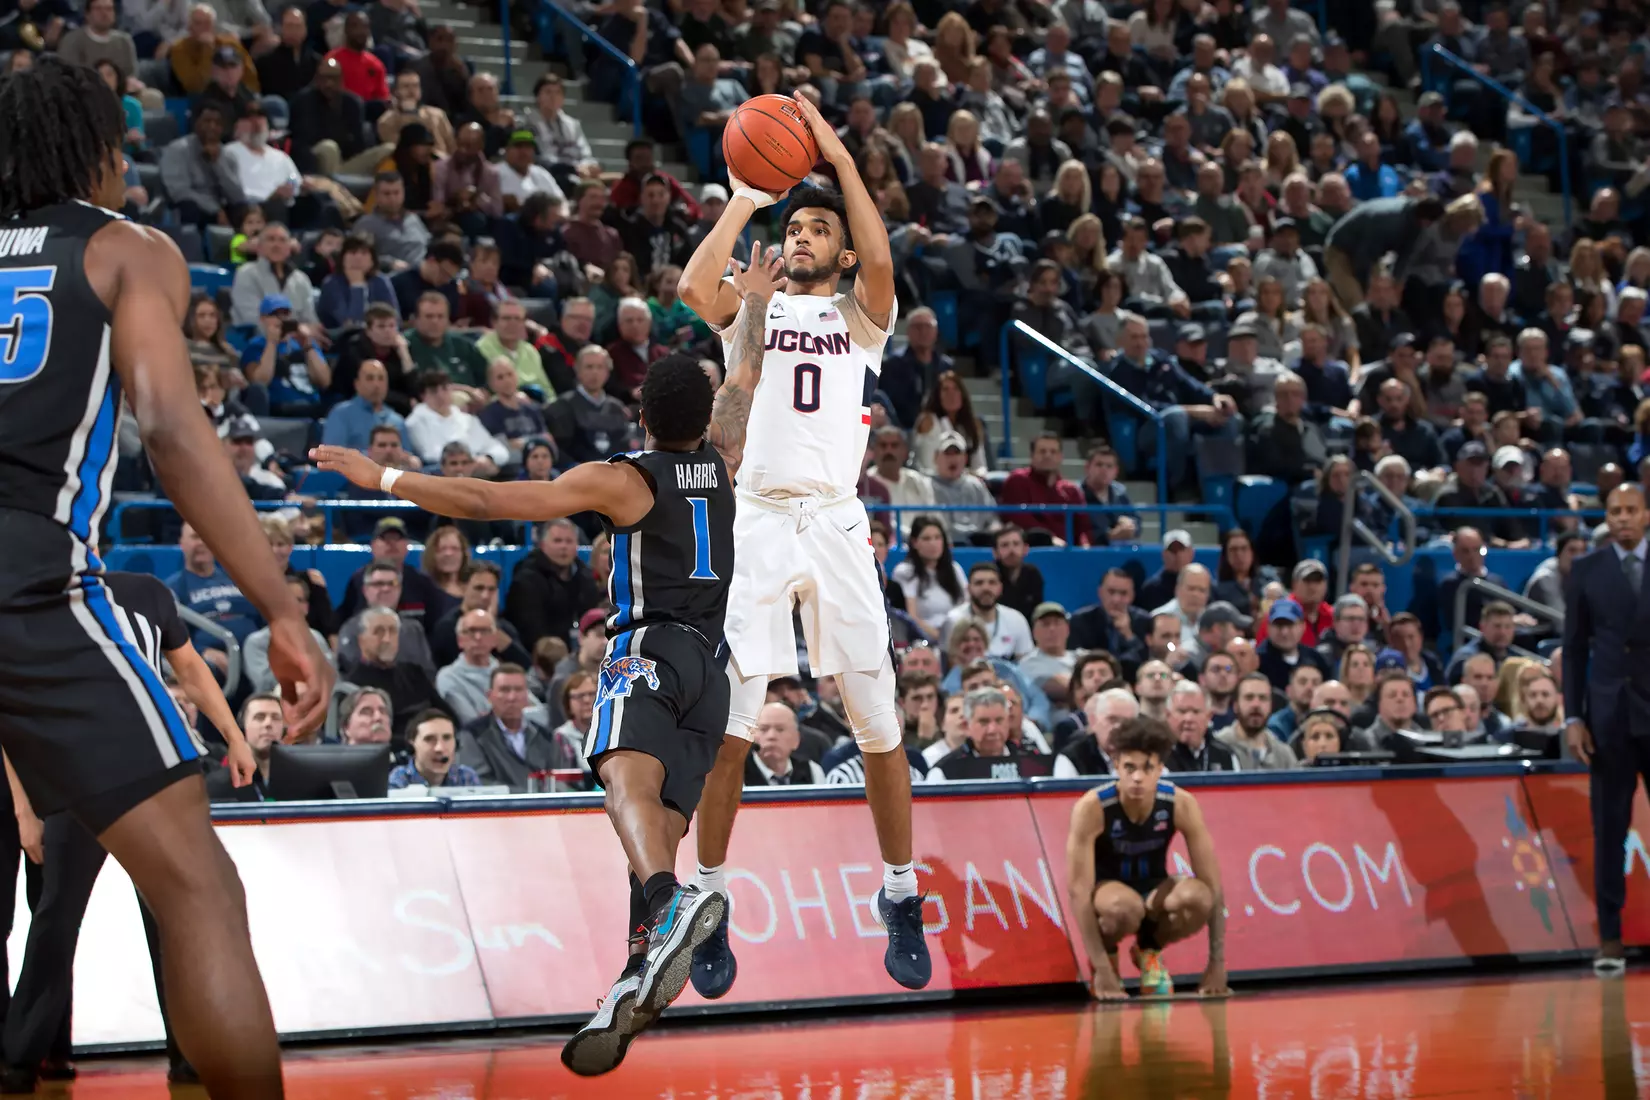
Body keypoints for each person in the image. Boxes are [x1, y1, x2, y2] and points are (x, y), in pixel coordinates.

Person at [0, 59, 331, 1100]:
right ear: (101, 149)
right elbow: (173, 430)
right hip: (33, 581)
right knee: (198, 887)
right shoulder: (122, 248)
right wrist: (280, 605)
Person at [314, 351, 739, 1076]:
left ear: (640, 421)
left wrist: (380, 476)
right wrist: (755, 308)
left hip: (651, 649)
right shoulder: (725, 461)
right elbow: (745, 382)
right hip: (712, 668)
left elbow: (484, 501)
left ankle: (669, 906)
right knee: (658, 829)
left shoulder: (626, 479)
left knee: (620, 781)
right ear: (705, 420)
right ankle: (639, 967)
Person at [675, 94, 930, 996]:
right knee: (729, 728)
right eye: (802, 227)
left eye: (823, 227)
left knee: (879, 723)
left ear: (845, 248)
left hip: (834, 519)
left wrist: (836, 156)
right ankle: (704, 900)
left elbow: (884, 254)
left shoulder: (863, 319)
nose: (809, 237)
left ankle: (900, 892)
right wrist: (748, 199)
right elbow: (690, 291)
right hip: (756, 516)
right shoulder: (752, 307)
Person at [0, 571, 257, 1090]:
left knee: (173, 917)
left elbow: (190, 667)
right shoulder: (47, 596)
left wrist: (234, 735)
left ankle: (190, 1052)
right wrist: (25, 809)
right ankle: (19, 1057)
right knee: (56, 919)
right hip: (78, 774)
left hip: (154, 769)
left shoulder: (147, 592)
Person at [1065, 717, 1228, 1001]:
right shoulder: (1092, 807)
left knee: (1198, 897)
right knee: (1123, 907)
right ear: (1116, 765)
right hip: (1108, 894)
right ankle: (1109, 960)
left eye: (1147, 768)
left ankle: (1149, 950)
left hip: (1154, 889)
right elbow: (1078, 893)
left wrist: (1217, 962)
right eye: (1129, 767)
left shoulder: (1181, 803)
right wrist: (1100, 967)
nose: (1138, 777)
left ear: (1161, 769)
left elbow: (1213, 884)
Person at [1561, 483, 1650, 975]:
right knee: (1609, 829)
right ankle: (1610, 937)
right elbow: (1573, 650)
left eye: (1631, 510)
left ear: (1646, 514)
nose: (1622, 518)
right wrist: (1573, 716)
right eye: (1614, 511)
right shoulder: (1588, 569)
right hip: (1608, 718)